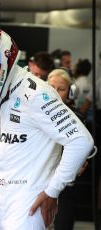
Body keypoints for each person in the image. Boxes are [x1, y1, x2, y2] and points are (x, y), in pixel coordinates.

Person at [0, 23, 94, 229]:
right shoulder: (12, 91)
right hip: (8, 205)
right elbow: (14, 141)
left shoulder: (36, 94)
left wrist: (52, 192)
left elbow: (81, 141)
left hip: (28, 210)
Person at [47, 68, 89, 230]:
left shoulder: (76, 118)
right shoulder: (33, 113)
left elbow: (82, 154)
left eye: (62, 89)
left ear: (70, 92)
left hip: (64, 186)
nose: (56, 92)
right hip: (38, 181)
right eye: (52, 87)